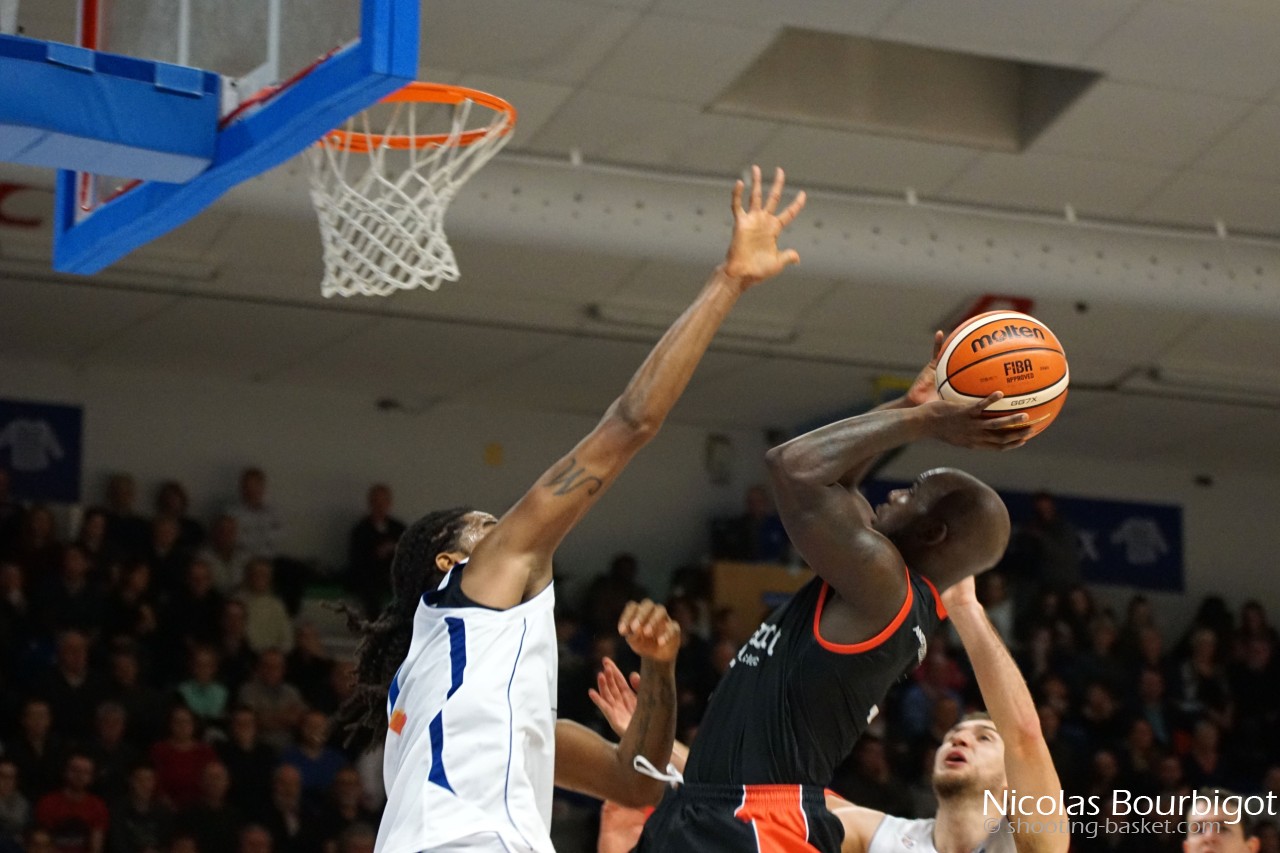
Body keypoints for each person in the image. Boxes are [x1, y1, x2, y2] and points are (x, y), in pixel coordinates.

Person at [338, 166, 807, 853]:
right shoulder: (470, 593)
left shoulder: (478, 693)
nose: (512, 528)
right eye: (489, 526)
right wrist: (728, 281)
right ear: (450, 563)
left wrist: (660, 669)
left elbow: (636, 783)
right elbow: (630, 423)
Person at [635, 330, 1030, 851]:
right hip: (714, 806)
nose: (894, 492)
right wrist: (908, 406)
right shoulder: (885, 582)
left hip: (758, 822)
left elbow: (792, 466)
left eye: (912, 492)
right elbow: (837, 482)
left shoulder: (887, 589)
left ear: (932, 533)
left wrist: (925, 423)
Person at [827, 577, 1068, 853]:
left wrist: (963, 605)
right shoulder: (877, 835)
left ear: (1010, 780)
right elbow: (793, 800)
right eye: (952, 736)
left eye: (984, 738)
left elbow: (1023, 738)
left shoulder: (1034, 842)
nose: (959, 740)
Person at [346, 484, 406, 619]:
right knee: (370, 592)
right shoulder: (361, 530)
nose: (379, 506)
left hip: (392, 575)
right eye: (376, 502)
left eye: (383, 502)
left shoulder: (398, 528)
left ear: (389, 504)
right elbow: (357, 560)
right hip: (370, 576)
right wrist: (376, 554)